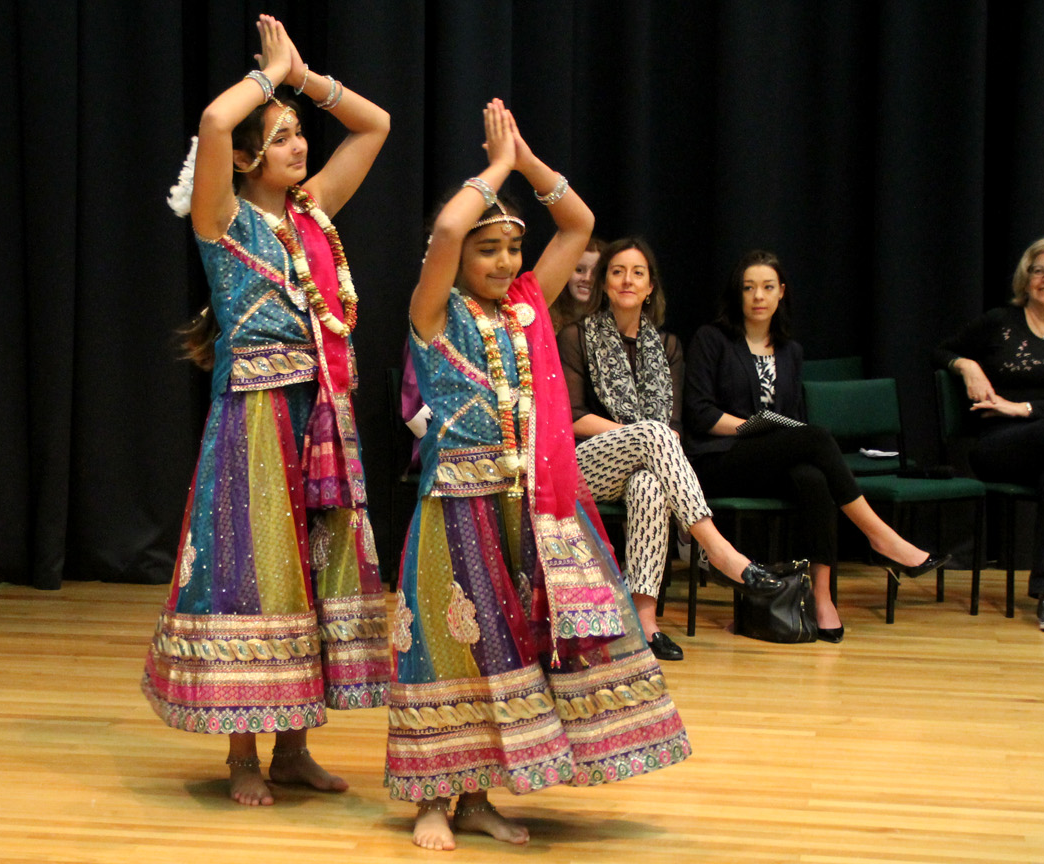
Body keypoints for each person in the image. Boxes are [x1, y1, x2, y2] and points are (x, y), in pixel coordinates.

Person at [388, 101, 781, 852]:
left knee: (505, 652)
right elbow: (445, 230)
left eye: (511, 249)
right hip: (455, 508)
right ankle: (428, 798)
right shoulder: (434, 314)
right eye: (489, 251)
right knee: (446, 648)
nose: (505, 263)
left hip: (520, 509)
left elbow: (578, 223)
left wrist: (529, 163)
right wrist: (495, 171)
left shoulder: (527, 311)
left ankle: (474, 796)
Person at [142, 15, 391, 807]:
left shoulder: (313, 213)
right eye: (282, 137)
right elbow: (216, 120)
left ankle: (292, 748)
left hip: (320, 415)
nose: (299, 147)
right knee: (255, 577)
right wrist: (266, 78)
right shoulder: (223, 223)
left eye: (296, 135)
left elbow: (374, 124)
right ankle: (241, 756)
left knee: (313, 576)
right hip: (254, 418)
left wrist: (306, 81)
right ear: (247, 160)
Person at [683, 249, 944, 642]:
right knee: (817, 437)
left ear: (781, 293)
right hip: (719, 459)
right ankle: (880, 536)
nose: (758, 296)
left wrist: (778, 435)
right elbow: (700, 414)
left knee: (813, 478)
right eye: (749, 287)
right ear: (737, 294)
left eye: (767, 287)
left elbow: (791, 416)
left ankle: (822, 597)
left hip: (771, 459)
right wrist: (755, 429)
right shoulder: (712, 338)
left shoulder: (791, 351)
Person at [559, 237, 789, 661]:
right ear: (604, 283)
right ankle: (718, 551)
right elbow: (573, 418)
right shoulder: (575, 336)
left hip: (648, 464)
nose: (627, 280)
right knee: (654, 435)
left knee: (649, 484)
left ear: (650, 288)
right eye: (617, 271)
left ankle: (644, 625)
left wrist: (648, 438)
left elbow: (676, 426)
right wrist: (638, 434)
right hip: (586, 463)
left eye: (638, 273)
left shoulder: (668, 347)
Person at [936, 232, 1044, 633]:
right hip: (998, 447)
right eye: (1039, 270)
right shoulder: (1000, 323)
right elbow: (940, 350)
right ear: (1026, 278)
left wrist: (1023, 407)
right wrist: (966, 365)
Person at [547, 236, 603, 332]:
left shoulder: (612, 322)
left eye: (595, 273)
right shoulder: (547, 316)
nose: (587, 278)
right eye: (579, 270)